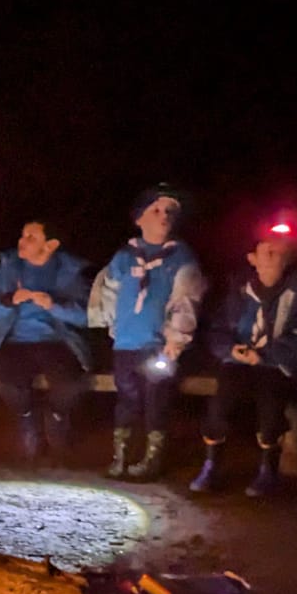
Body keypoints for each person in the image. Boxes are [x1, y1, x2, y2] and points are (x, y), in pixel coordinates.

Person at [189, 224, 297, 496]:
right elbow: (218, 329)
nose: (273, 257)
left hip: (279, 366)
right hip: (240, 364)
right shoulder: (238, 291)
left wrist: (264, 355)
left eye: (280, 252)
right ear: (253, 258)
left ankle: (268, 471)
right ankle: (211, 465)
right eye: (268, 251)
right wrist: (231, 350)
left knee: (271, 403)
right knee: (221, 401)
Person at [89, 185, 207, 479]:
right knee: (127, 397)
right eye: (155, 210)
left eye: (169, 211)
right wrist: (112, 326)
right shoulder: (125, 256)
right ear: (139, 219)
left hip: (159, 344)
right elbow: (109, 292)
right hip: (126, 343)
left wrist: (176, 339)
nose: (163, 216)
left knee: (157, 397)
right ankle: (121, 455)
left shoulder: (181, 258)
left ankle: (153, 459)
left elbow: (187, 299)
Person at [0, 220, 94, 465]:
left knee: (70, 383)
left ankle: (57, 417)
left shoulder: (68, 272)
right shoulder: (8, 269)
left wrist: (54, 306)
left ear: (50, 245)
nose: (22, 241)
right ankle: (27, 418)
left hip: (56, 341)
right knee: (10, 384)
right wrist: (9, 300)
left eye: (31, 237)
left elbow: (86, 317)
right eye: (23, 235)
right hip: (14, 341)